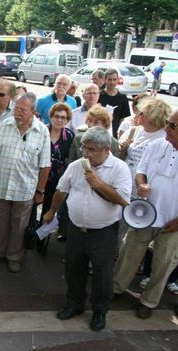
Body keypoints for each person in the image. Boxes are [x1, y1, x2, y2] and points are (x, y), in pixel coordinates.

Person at [43, 127, 131, 331]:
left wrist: (97, 183)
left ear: (106, 149)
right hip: (76, 229)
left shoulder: (119, 168)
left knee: (102, 273)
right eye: (85, 148)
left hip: (103, 231)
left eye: (91, 150)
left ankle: (100, 310)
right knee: (73, 268)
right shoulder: (76, 166)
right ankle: (75, 303)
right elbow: (61, 189)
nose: (86, 153)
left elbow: (123, 200)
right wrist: (51, 211)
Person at [113, 111, 178, 319]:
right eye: (168, 123)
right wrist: (141, 184)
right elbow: (141, 170)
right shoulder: (158, 145)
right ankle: (116, 288)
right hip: (144, 213)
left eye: (173, 126)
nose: (166, 128)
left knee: (164, 263)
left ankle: (149, 301)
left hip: (173, 222)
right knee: (129, 252)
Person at [0, 93, 51, 273]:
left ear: (33, 112)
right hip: (2, 185)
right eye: (16, 108)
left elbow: (45, 165)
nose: (17, 113)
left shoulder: (42, 131)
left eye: (23, 110)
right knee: (0, 221)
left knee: (19, 225)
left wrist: (40, 191)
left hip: (25, 188)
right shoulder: (4, 125)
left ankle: (14, 256)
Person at [119, 97, 172, 198]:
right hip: (124, 187)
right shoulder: (134, 131)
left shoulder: (165, 137)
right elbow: (119, 158)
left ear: (152, 117)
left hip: (146, 193)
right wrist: (122, 149)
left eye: (141, 112)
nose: (137, 114)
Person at [42, 103, 75, 217]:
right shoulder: (42, 131)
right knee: (31, 207)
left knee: (49, 208)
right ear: (51, 117)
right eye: (56, 116)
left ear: (67, 120)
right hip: (39, 174)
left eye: (63, 117)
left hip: (57, 178)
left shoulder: (70, 136)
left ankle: (42, 234)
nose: (59, 120)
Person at [98, 68, 130, 138]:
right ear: (105, 80)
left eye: (114, 79)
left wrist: (120, 134)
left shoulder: (123, 98)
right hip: (99, 133)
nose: (112, 82)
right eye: (109, 79)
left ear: (117, 80)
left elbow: (122, 119)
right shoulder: (98, 96)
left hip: (115, 134)